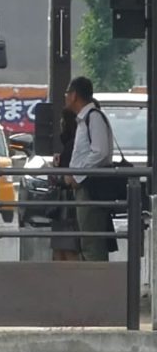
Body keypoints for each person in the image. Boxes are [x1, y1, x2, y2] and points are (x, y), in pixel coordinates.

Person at [64, 76, 116, 262]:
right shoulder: (84, 119)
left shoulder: (93, 118)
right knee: (87, 239)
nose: (66, 97)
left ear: (74, 95)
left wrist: (77, 175)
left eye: (67, 93)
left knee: (92, 241)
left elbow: (100, 152)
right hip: (85, 186)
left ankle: (98, 285)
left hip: (91, 187)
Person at [49, 108, 81, 261]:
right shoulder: (73, 144)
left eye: (62, 121)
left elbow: (68, 175)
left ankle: (65, 281)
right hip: (68, 204)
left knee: (65, 249)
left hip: (66, 205)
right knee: (64, 248)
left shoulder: (71, 146)